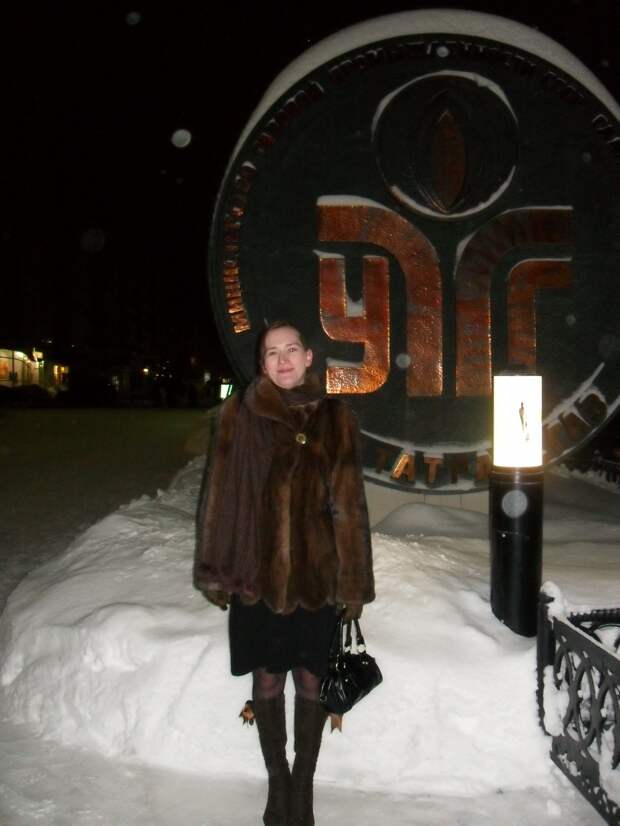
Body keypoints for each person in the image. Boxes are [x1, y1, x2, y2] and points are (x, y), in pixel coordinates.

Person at [194, 320, 375, 826]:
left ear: (309, 357)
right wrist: (216, 571)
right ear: (262, 363)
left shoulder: (336, 417)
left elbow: (349, 505)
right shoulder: (239, 414)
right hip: (256, 577)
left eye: (292, 349)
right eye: (273, 352)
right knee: (268, 678)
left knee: (312, 679)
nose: (283, 360)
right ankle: (278, 781)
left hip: (318, 579)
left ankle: (303, 785)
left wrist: (354, 582)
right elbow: (221, 498)